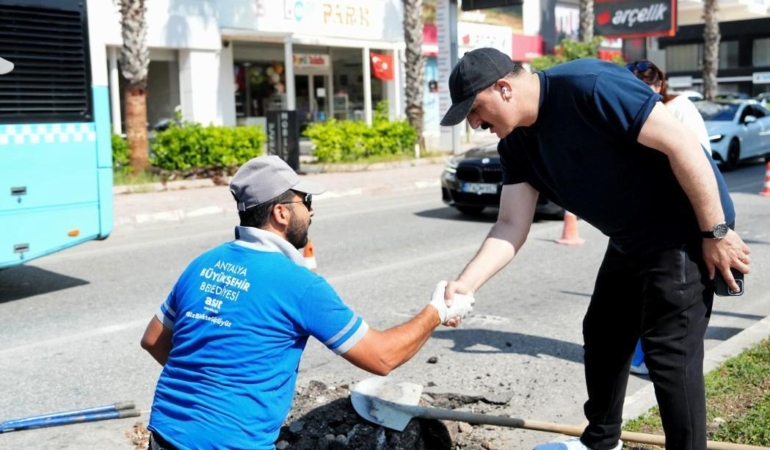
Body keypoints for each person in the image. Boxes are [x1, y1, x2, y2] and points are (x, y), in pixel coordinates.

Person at [438, 48, 751, 450]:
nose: (474, 122)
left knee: (669, 352)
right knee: (603, 333)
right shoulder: (515, 145)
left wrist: (716, 232)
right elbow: (511, 224)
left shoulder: (590, 86)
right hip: (630, 236)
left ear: (504, 89)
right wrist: (465, 284)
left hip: (685, 227)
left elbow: (682, 145)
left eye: (475, 110)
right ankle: (602, 442)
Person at [140, 155, 474, 450]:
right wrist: (438, 311)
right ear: (281, 213)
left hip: (164, 435)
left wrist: (209, 387)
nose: (312, 210)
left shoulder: (203, 263)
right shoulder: (298, 285)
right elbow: (382, 357)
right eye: (306, 200)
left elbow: (153, 339)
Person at [626, 59, 715, 375]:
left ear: (659, 86)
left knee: (673, 297)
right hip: (648, 216)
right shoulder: (627, 109)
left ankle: (665, 364)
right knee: (646, 292)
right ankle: (644, 358)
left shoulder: (678, 108)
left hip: (682, 214)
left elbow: (699, 158)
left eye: (646, 86)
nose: (641, 93)